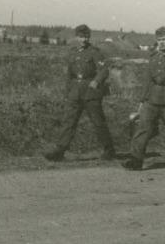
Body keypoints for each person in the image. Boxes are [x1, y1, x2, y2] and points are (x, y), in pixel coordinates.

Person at [45, 24, 115, 161]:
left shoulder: (95, 52)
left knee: (98, 122)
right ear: (76, 37)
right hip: (75, 93)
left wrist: (96, 81)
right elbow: (69, 75)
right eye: (81, 37)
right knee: (69, 122)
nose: (84, 39)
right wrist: (67, 92)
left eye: (86, 37)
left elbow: (104, 70)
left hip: (91, 93)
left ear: (89, 37)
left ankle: (109, 150)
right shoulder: (72, 53)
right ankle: (60, 151)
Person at [123, 26, 165, 170]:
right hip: (152, 99)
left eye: (164, 39)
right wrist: (142, 100)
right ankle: (136, 159)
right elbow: (148, 80)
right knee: (143, 128)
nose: (162, 43)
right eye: (159, 40)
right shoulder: (153, 57)